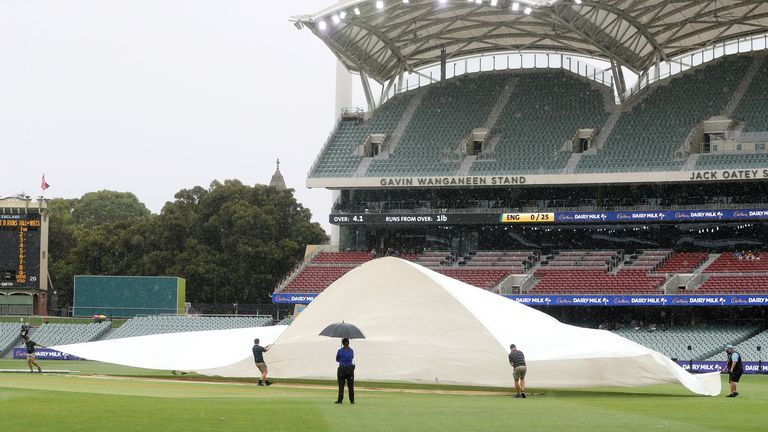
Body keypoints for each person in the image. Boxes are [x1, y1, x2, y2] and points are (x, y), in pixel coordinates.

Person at [335, 337, 355, 404]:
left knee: (341, 385)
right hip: (350, 369)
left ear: (342, 343)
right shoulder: (351, 351)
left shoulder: (340, 351)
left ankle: (340, 400)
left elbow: (337, 359)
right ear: (348, 343)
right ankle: (352, 400)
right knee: (350, 386)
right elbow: (352, 357)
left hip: (342, 369)